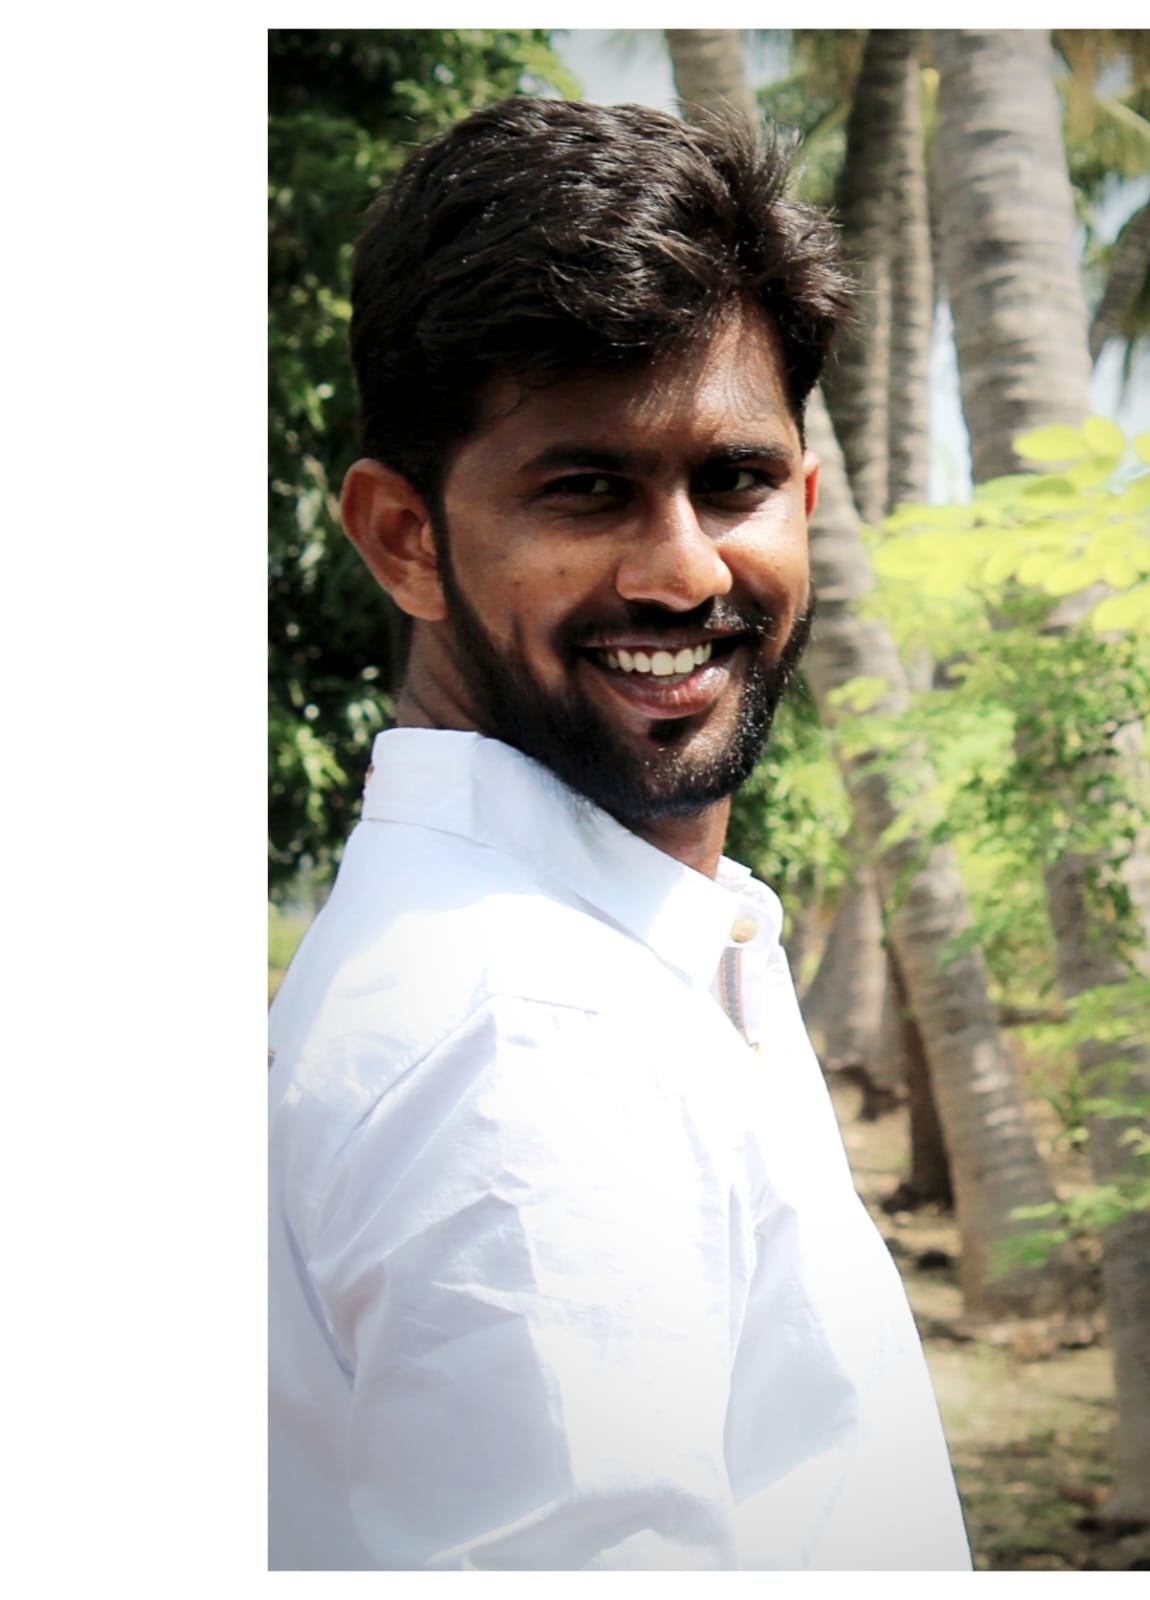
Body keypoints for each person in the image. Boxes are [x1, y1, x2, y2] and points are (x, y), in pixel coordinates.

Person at [267, 96, 972, 1572]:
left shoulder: (606, 954)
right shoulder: (529, 1040)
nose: (682, 570)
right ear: (404, 537)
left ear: (805, 501)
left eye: (735, 482)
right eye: (586, 488)